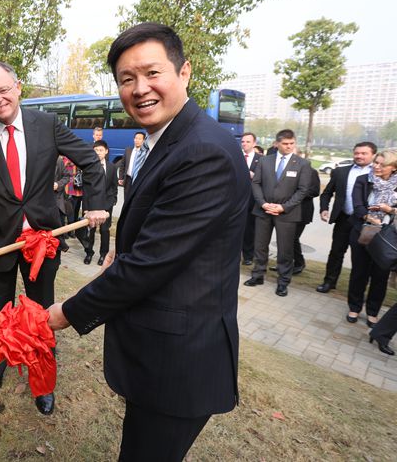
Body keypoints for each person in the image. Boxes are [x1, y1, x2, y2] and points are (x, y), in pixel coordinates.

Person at [47, 23, 248, 461]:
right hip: (161, 351)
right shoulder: (168, 140)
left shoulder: (203, 151)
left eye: (152, 73)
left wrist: (67, 312)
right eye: (126, 79)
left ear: (184, 72)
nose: (140, 89)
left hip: (180, 360)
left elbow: (151, 263)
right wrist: (119, 250)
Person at [0, 61, 108, 416]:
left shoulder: (47, 124)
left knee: (41, 314)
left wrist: (96, 204)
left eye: (3, 90)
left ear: (18, 87)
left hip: (43, 241)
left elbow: (89, 160)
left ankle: (43, 383)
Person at [245, 129, 312, 297]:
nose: (289, 146)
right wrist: (263, 203)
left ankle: (283, 281)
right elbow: (256, 183)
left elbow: (302, 190)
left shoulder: (303, 164)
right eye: (285, 143)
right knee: (260, 246)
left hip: (287, 213)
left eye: (292, 143)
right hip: (263, 210)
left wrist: (284, 207)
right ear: (277, 144)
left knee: (285, 249)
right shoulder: (265, 161)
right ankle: (258, 275)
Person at [316, 142, 376, 293]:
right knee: (336, 252)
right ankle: (329, 282)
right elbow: (327, 193)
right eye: (357, 153)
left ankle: (358, 289)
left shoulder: (378, 173)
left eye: (364, 153)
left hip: (366, 222)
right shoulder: (341, 172)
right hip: (344, 219)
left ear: (373, 155)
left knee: (362, 258)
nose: (359, 156)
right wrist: (324, 209)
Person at [346, 149, 397, 327]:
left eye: (382, 164)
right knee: (359, 272)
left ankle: (372, 312)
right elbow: (357, 205)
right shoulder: (364, 180)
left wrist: (389, 210)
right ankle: (354, 307)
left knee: (380, 275)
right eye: (376, 162)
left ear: (394, 167)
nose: (376, 166)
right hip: (363, 231)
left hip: (387, 237)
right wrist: (369, 217)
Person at [83, 140, 117, 265]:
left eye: (101, 150)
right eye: (96, 150)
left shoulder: (112, 167)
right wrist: (86, 207)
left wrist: (112, 201)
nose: (98, 152)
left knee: (104, 230)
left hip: (106, 205)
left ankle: (103, 254)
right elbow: (85, 189)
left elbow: (114, 186)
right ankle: (89, 253)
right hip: (92, 205)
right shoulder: (89, 167)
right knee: (90, 230)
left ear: (106, 151)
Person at [291, 165, 320, 275]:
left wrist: (296, 194)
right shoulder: (288, 169)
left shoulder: (311, 172)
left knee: (293, 238)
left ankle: (299, 263)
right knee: (284, 238)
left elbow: (315, 191)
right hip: (286, 210)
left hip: (302, 211)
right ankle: (284, 263)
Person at [240, 132, 262, 265]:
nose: (244, 144)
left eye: (248, 141)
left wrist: (255, 176)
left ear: (254, 143)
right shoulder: (236, 155)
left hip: (253, 199)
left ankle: (248, 256)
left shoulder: (262, 159)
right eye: (243, 141)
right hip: (236, 198)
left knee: (249, 228)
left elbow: (266, 178)